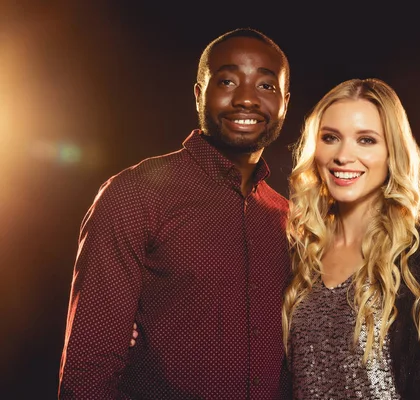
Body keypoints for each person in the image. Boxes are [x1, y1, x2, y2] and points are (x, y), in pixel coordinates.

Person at [59, 28, 293, 399]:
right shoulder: (135, 194)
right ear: (199, 93)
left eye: (266, 86)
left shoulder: (290, 219)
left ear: (284, 103)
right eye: (228, 80)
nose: (247, 99)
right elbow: (89, 369)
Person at [281, 78, 420, 399]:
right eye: (330, 138)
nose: (343, 155)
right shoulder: (302, 251)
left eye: (366, 140)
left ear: (391, 151)